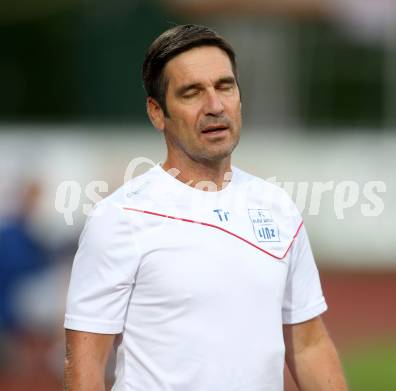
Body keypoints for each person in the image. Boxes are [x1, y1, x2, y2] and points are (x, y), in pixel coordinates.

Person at [63, 24, 347, 391]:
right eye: (192, 93)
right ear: (156, 112)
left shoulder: (278, 207)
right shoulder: (119, 218)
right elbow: (85, 361)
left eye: (224, 86)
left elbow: (308, 344)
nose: (215, 106)